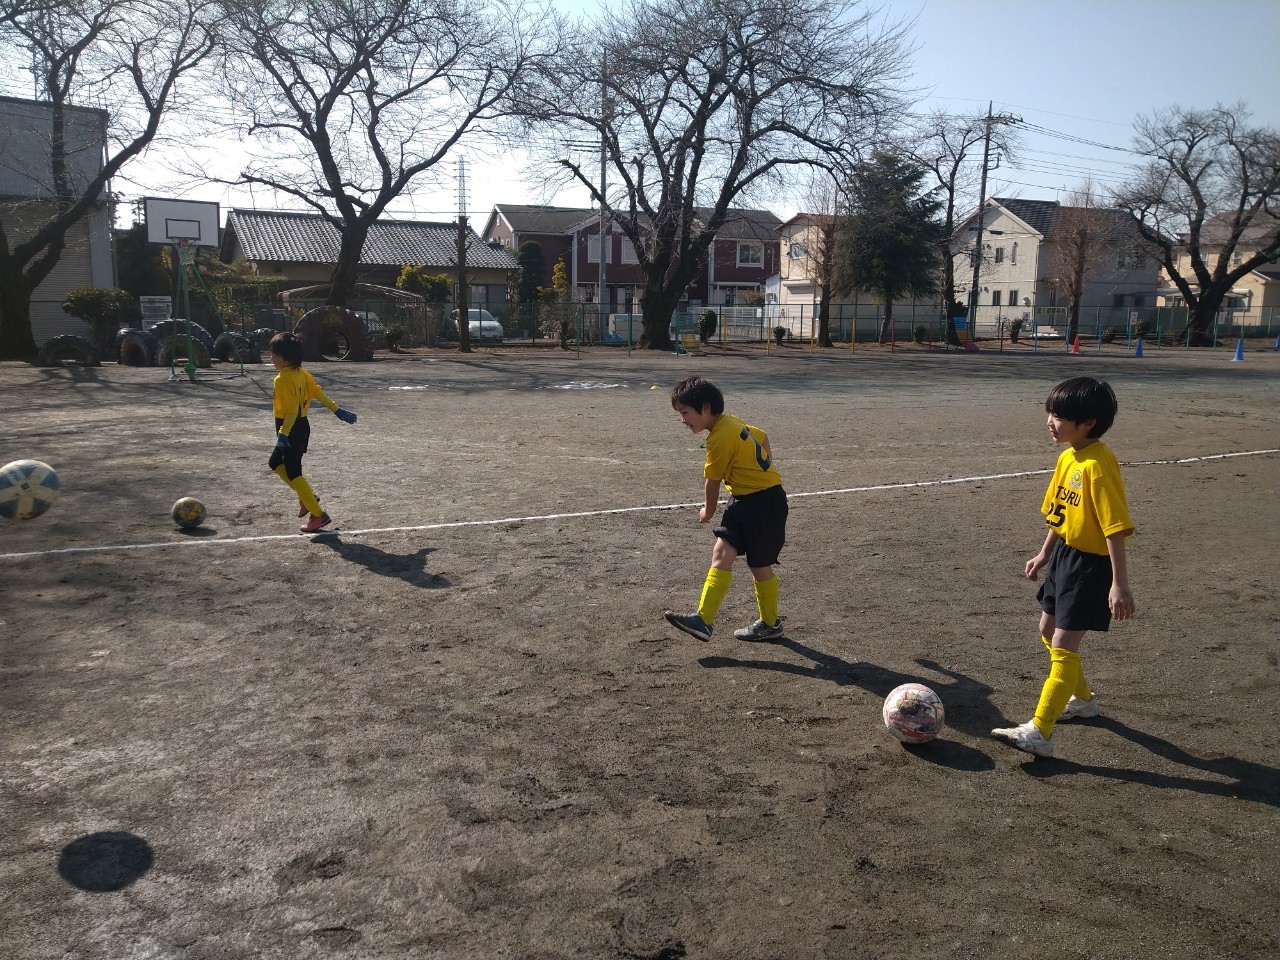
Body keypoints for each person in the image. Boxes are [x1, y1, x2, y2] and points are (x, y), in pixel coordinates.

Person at [992, 376, 1135, 758]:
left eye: (1059, 415)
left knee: (1062, 643)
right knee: (1047, 628)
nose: (1050, 421)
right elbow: (1059, 514)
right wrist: (1044, 554)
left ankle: (1040, 731)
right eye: (1050, 413)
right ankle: (1083, 701)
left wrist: (1119, 584)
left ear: (1088, 421)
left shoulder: (1099, 465)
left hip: (1091, 566)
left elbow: (1114, 527)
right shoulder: (1067, 457)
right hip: (1064, 558)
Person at [663, 376, 788, 643]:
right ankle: (703, 620)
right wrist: (763, 467)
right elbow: (763, 438)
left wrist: (708, 511)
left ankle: (770, 623)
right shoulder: (731, 422)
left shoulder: (719, 437)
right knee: (722, 550)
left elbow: (713, 480)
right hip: (744, 500)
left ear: (705, 408)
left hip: (764, 503)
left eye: (685, 413)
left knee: (760, 564)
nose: (683, 420)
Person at [268, 332, 358, 533]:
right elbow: (317, 392)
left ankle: (318, 514)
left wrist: (283, 433)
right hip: (301, 426)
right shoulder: (302, 373)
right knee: (275, 463)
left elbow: (291, 410)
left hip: (290, 427)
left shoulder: (281, 379)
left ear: (287, 357)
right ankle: (306, 498)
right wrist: (337, 410)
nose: (271, 359)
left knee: (293, 472)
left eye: (274, 355)